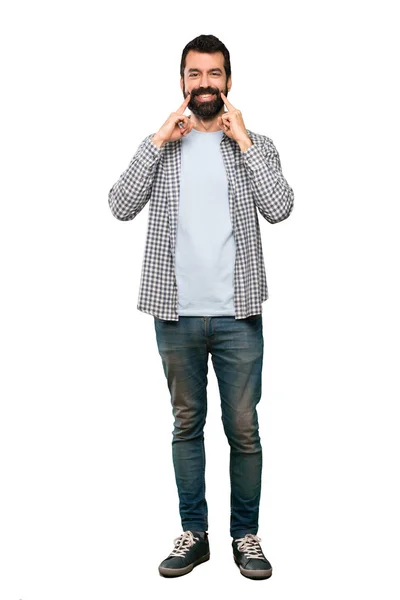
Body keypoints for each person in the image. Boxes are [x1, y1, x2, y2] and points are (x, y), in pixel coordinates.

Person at [108, 34, 294, 580]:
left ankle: (246, 537)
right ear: (182, 82)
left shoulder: (253, 143)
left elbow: (280, 207)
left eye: (215, 74)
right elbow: (120, 205)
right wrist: (156, 139)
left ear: (229, 82)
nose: (205, 84)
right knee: (186, 424)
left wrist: (245, 143)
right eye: (195, 74)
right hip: (176, 313)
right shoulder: (165, 146)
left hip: (239, 315)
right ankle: (195, 534)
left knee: (243, 428)